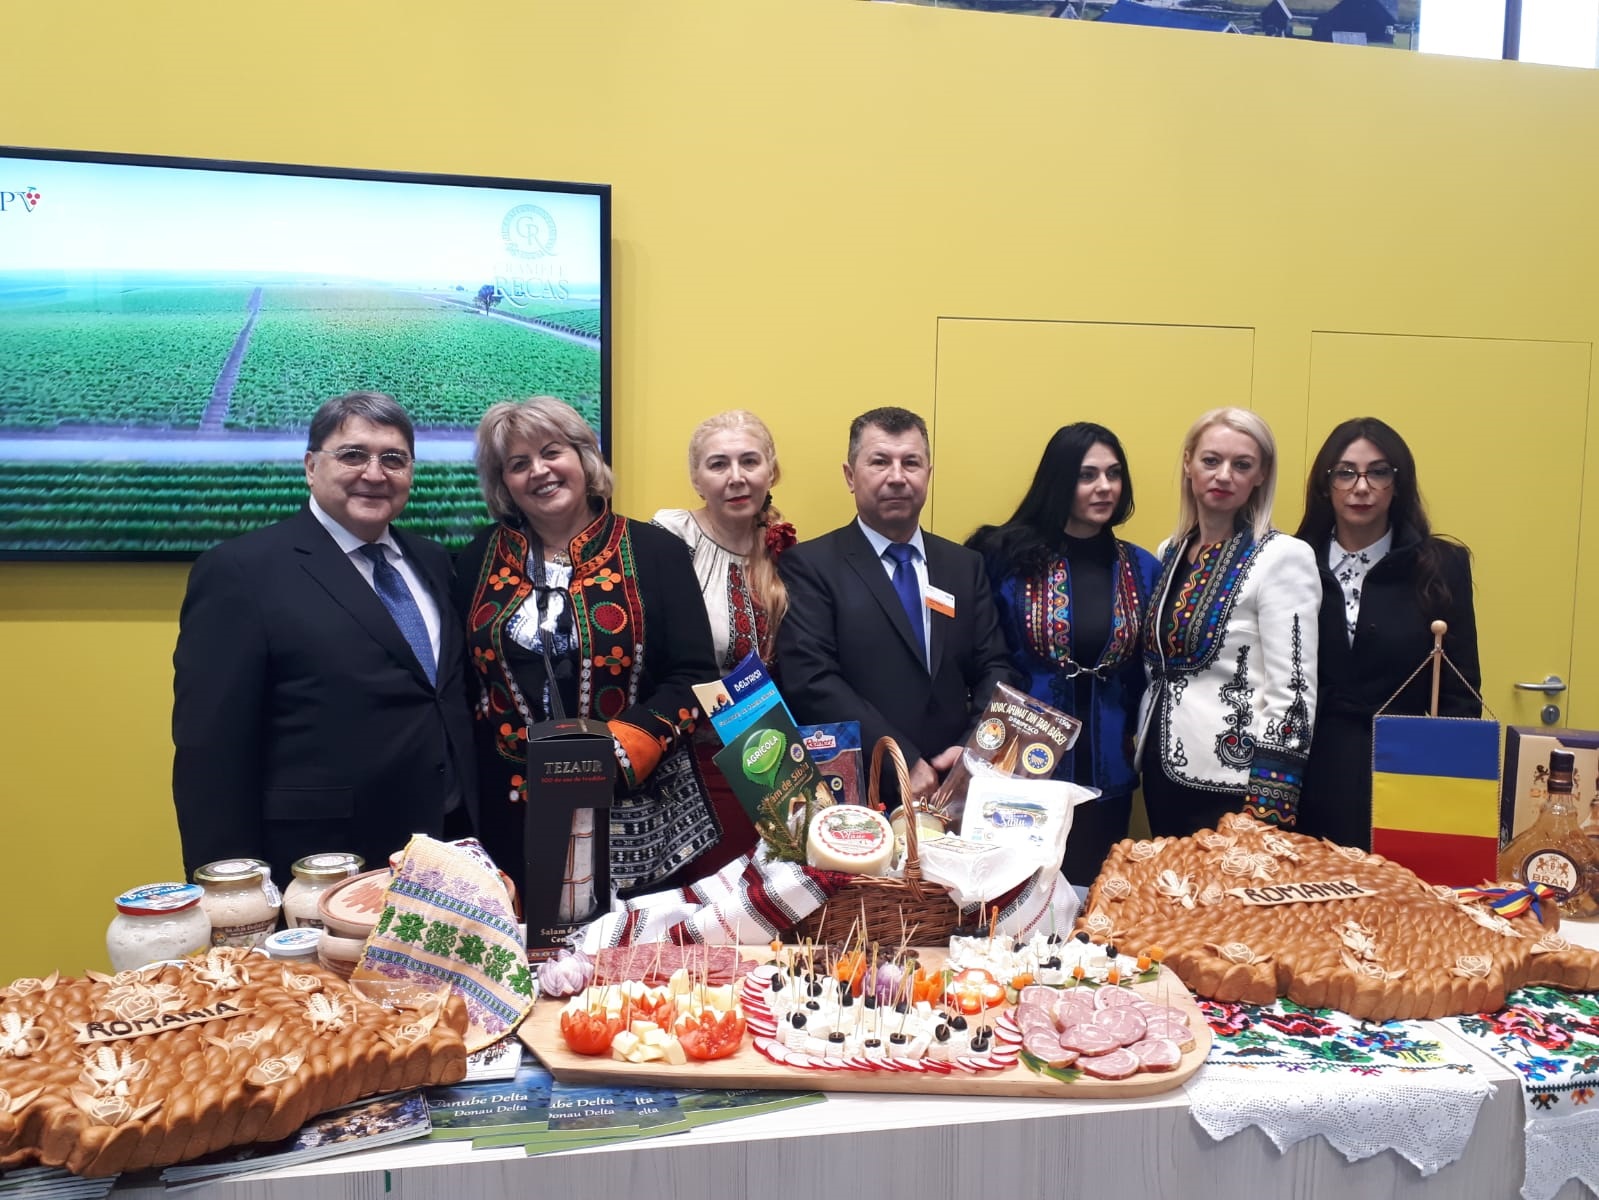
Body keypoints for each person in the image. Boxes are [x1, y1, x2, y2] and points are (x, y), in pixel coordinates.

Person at [451, 396, 737, 930]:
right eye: (518, 463)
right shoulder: (476, 559)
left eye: (551, 452)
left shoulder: (656, 552)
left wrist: (621, 750)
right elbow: (465, 682)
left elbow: (696, 678)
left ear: (583, 458)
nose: (539, 471)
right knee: (527, 956)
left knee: (630, 963)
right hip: (509, 810)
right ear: (503, 482)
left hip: (638, 807)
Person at [172, 391, 476, 886]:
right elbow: (211, 750)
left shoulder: (435, 562)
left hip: (449, 847)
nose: (374, 473)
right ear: (311, 467)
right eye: (353, 455)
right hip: (320, 860)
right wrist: (229, 889)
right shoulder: (240, 571)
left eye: (394, 459)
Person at [776, 406, 1021, 805]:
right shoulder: (810, 565)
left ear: (928, 474)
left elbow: (994, 665)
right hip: (862, 788)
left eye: (911, 462)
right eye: (879, 462)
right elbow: (812, 681)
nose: (897, 476)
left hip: (956, 786)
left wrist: (971, 752)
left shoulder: (964, 565)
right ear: (850, 476)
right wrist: (902, 760)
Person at [966, 423, 1159, 883]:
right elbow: (977, 655)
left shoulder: (1142, 568)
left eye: (1113, 474)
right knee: (1016, 898)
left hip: (1108, 770)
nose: (1104, 486)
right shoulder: (1005, 557)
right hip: (1019, 769)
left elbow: (1145, 671)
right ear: (1059, 481)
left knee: (1096, 894)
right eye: (1087, 475)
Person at [1294, 417, 1481, 850]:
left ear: (1398, 484)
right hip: (1308, 772)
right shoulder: (1292, 560)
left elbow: (1461, 694)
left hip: (1402, 774)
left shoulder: (1441, 565)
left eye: (1378, 472)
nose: (1361, 487)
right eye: (1346, 473)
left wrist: (1439, 786)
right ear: (1325, 484)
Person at [1136, 407, 1321, 837]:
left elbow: (1294, 690)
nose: (1224, 475)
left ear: (1261, 475)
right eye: (1211, 460)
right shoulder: (1169, 551)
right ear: (1188, 464)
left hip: (1236, 782)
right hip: (1160, 769)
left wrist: (1270, 801)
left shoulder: (1283, 556)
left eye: (1242, 465)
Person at [653, 409, 795, 670]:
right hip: (685, 695)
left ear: (771, 473)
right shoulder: (673, 537)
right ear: (696, 481)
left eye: (749, 461)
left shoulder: (781, 547)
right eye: (718, 465)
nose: (736, 478)